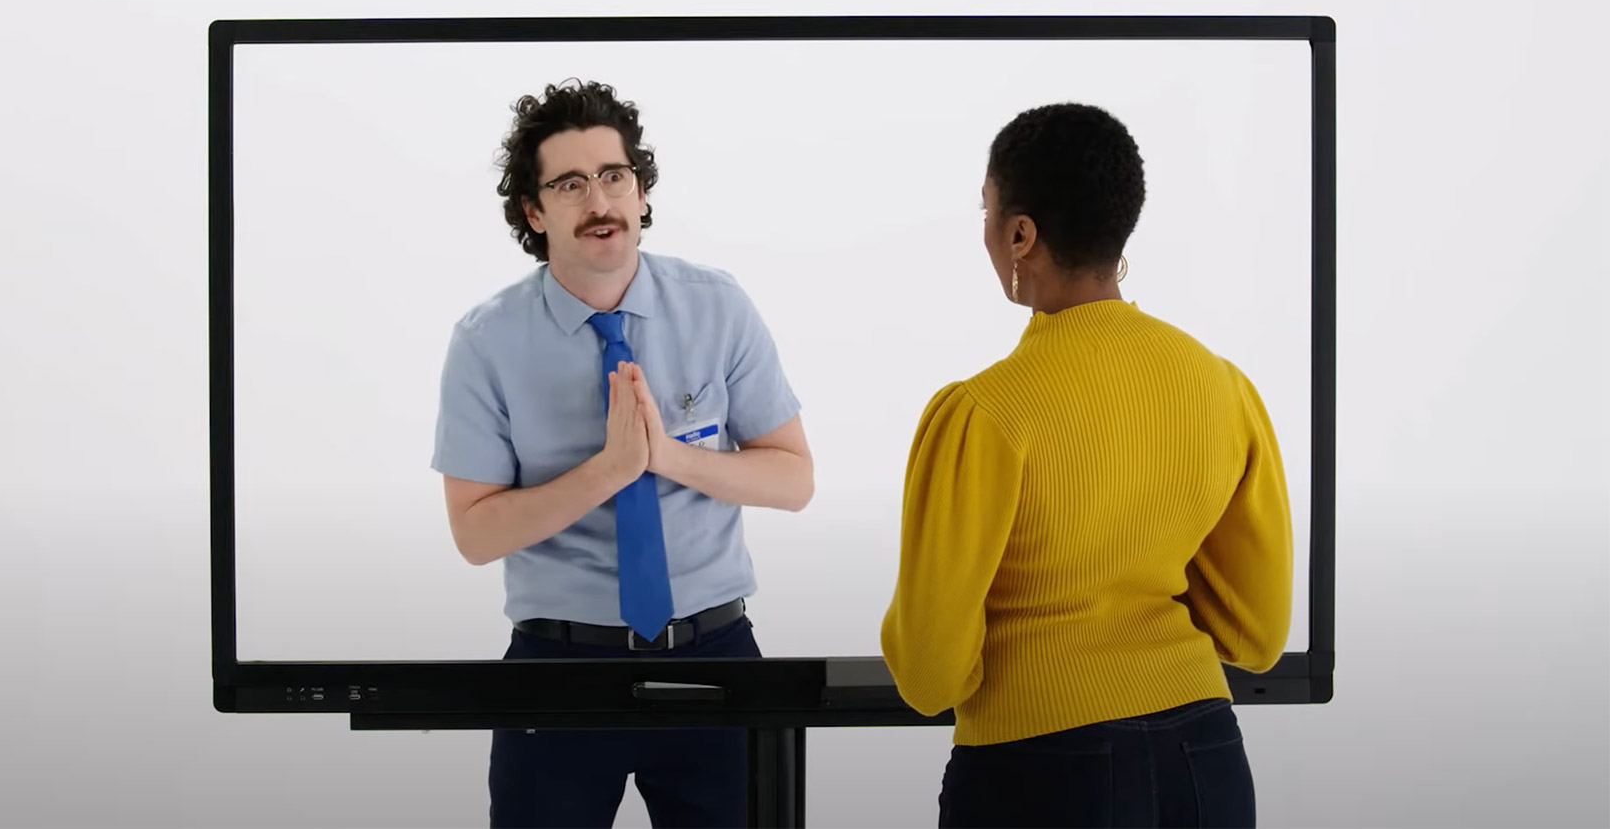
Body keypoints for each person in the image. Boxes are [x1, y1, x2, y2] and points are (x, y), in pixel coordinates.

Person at [880, 102, 1293, 828]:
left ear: (1020, 234)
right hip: (1206, 755)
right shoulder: (1223, 386)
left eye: (987, 210)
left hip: (1041, 770)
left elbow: (927, 673)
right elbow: (1258, 634)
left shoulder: (983, 415)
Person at [430, 79, 814, 828]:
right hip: (558, 667)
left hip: (716, 655)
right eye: (569, 184)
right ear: (534, 213)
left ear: (640, 192)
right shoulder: (486, 341)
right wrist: (606, 471)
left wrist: (665, 456)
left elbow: (793, 477)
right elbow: (475, 533)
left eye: (614, 176)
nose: (599, 201)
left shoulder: (717, 305)